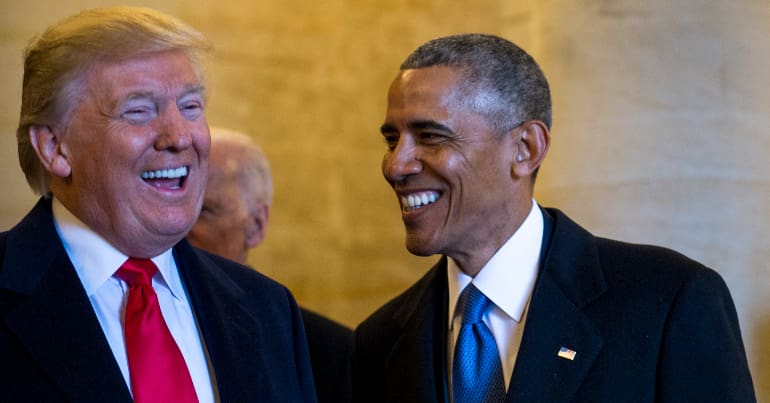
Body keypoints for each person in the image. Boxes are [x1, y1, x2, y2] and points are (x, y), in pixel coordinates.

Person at [352, 33, 756, 402]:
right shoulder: (378, 342)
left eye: (430, 137)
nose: (395, 165)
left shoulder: (669, 301)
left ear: (525, 148)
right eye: (392, 140)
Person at [1, 7, 315, 402]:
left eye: (190, 107)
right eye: (138, 111)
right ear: (54, 147)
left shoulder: (268, 309)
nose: (179, 137)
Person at [188, 127, 353, 403]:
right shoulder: (130, 322)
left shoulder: (326, 352)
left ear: (256, 224)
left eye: (204, 211)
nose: (178, 227)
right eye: (175, 207)